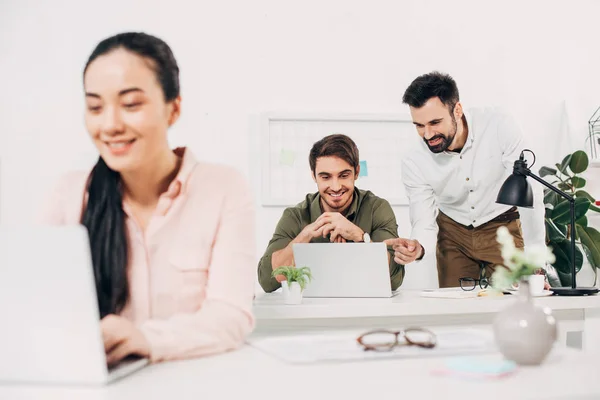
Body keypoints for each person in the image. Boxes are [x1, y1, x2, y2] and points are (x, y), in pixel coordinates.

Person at [38, 32, 256, 365]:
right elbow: (42, 309)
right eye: (95, 107)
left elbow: (231, 315)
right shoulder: (70, 195)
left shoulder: (224, 188)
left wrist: (147, 339)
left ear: (174, 109)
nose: (110, 125)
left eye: (131, 104)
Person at [386, 71, 546, 288]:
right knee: (454, 310)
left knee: (514, 302)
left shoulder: (499, 125)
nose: (427, 134)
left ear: (457, 110)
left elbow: (530, 190)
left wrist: (535, 260)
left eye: (435, 122)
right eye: (419, 125)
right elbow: (423, 218)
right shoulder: (413, 159)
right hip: (453, 233)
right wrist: (419, 247)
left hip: (502, 224)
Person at [257, 134, 405, 293]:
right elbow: (267, 280)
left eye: (344, 175)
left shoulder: (377, 208)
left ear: (356, 172)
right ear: (313, 176)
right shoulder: (295, 216)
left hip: (365, 309)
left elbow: (394, 279)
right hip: (310, 311)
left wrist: (360, 237)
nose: (335, 186)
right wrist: (304, 236)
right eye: (326, 177)